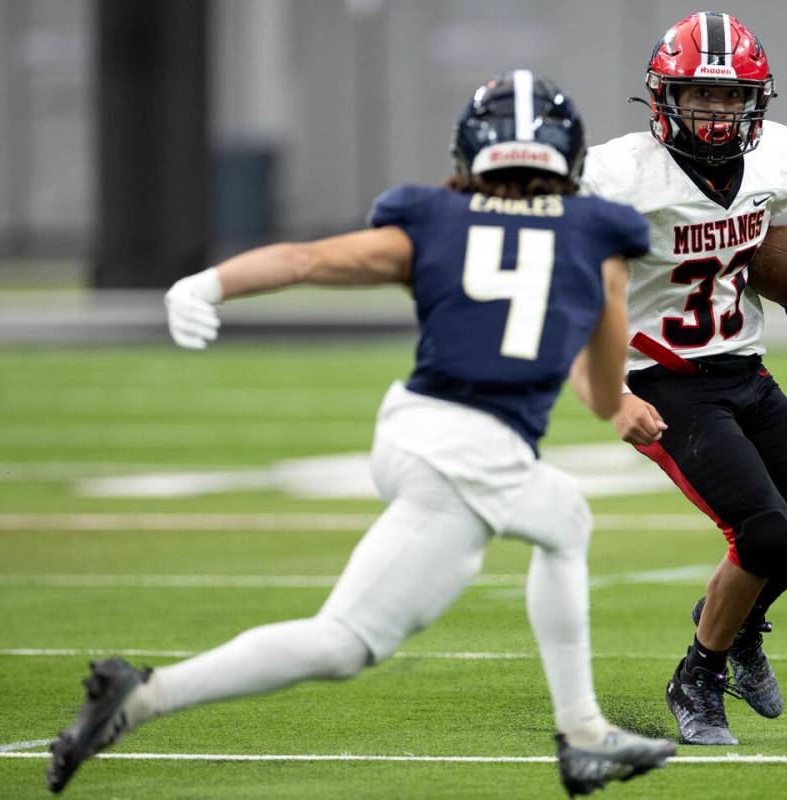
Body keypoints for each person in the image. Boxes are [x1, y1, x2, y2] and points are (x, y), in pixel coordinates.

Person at [46, 70, 676, 796]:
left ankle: (584, 734)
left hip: (414, 423)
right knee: (370, 627)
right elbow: (602, 395)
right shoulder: (601, 233)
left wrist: (204, 284)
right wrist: (608, 385)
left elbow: (304, 260)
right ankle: (584, 734)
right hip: (470, 451)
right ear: (570, 155)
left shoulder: (432, 217)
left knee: (543, 526)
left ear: (470, 153)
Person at [576, 12, 787, 746]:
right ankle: (698, 672)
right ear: (662, 97)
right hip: (664, 379)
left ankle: (739, 629)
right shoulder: (618, 177)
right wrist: (613, 398)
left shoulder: (778, 162)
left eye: (733, 98)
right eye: (701, 95)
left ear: (756, 102)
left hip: (744, 366)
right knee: (763, 532)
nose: (717, 112)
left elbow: (755, 264)